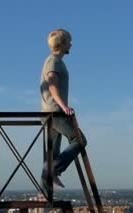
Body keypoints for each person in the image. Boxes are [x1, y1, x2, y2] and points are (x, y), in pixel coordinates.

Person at [40, 28, 87, 193]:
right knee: (79, 140)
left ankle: (47, 190)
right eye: (69, 41)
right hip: (55, 112)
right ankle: (54, 170)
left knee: (52, 153)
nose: (71, 44)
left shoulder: (55, 61)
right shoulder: (53, 61)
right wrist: (64, 106)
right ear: (63, 43)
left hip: (50, 113)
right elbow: (52, 83)